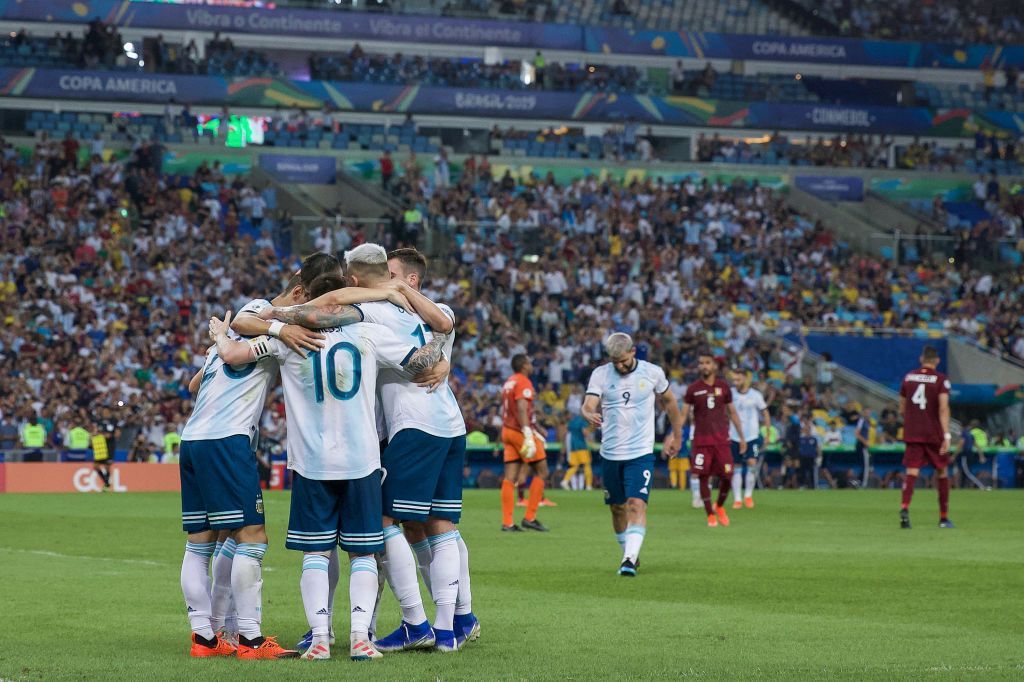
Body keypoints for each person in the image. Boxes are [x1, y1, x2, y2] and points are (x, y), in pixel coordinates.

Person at [209, 273, 448, 661]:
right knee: (363, 555)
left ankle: (320, 639)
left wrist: (225, 335)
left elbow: (236, 346)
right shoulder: (368, 334)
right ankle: (359, 639)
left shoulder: (287, 339)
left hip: (311, 463)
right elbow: (424, 361)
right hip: (361, 461)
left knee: (316, 555)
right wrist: (442, 344)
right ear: (339, 303)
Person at [261, 244, 476, 652]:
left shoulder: (367, 314)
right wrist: (444, 359)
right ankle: (451, 623)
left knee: (379, 526)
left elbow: (319, 312)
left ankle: (412, 622)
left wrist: (277, 318)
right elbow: (440, 335)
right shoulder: (423, 308)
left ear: (355, 281)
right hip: (448, 421)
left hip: (405, 426)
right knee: (438, 526)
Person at [582, 333, 682, 576]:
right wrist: (588, 414)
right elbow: (588, 404)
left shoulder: (652, 372)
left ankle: (628, 560)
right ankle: (630, 553)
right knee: (617, 509)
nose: (620, 366)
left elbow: (670, 402)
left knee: (636, 504)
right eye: (615, 361)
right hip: (610, 453)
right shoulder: (601, 374)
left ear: (633, 351)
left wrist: (676, 436)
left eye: (624, 361)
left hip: (640, 453)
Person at [680, 351, 746, 527]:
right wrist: (676, 434)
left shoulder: (724, 387)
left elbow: (732, 412)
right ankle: (710, 514)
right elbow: (684, 413)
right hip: (701, 441)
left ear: (714, 366)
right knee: (703, 476)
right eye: (701, 363)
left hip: (722, 441)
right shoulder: (693, 389)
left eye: (707, 363)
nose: (704, 366)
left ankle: (720, 505)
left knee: (728, 475)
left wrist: (742, 437)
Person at [898, 346, 954, 529]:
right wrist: (946, 434)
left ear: (921, 359)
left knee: (912, 471)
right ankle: (943, 518)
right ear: (936, 360)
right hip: (934, 434)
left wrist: (913, 421)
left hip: (913, 433)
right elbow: (943, 408)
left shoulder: (908, 377)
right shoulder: (941, 380)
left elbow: (901, 409)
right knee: (942, 472)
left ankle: (905, 507)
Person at [500, 354, 550, 532]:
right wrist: (528, 431)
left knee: (510, 476)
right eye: (529, 362)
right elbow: (521, 407)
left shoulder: (509, 381)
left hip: (507, 430)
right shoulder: (523, 382)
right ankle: (530, 517)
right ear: (524, 365)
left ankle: (507, 522)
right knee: (542, 471)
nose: (531, 365)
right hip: (519, 431)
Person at [728, 367, 769, 509]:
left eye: (738, 379)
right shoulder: (730, 394)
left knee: (752, 463)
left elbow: (765, 413)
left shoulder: (755, 395)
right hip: (734, 436)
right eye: (733, 379)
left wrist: (768, 433)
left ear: (745, 378)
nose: (735, 382)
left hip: (752, 436)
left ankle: (748, 496)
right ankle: (737, 499)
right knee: (736, 467)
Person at [561, 411, 593, 491]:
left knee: (575, 466)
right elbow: (584, 432)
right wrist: (590, 439)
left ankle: (565, 480)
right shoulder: (582, 421)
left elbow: (566, 432)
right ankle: (589, 485)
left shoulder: (572, 421)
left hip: (572, 447)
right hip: (581, 446)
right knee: (586, 465)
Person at [956, 420, 987, 491]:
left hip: (965, 454)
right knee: (964, 472)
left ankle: (981, 486)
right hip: (970, 454)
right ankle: (962, 488)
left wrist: (954, 455)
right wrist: (981, 456)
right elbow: (977, 445)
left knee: (967, 472)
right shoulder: (971, 434)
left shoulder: (964, 433)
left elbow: (961, 443)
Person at [854, 408, 872, 488]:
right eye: (866, 412)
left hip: (863, 444)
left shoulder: (868, 422)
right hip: (861, 445)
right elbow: (857, 433)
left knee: (864, 465)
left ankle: (859, 482)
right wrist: (865, 442)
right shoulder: (861, 421)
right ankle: (863, 484)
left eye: (869, 412)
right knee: (865, 465)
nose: (867, 414)